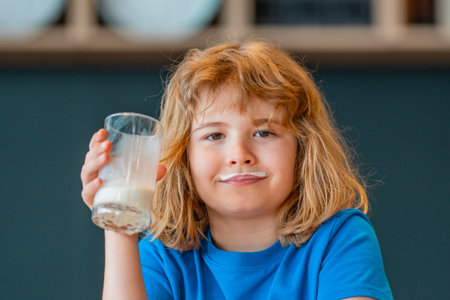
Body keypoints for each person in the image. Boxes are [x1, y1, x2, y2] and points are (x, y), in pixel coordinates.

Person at [80, 41, 393, 300]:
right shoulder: (163, 255)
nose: (240, 155)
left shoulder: (341, 239)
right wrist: (119, 223)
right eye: (214, 136)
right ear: (182, 156)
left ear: (303, 148)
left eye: (264, 133)